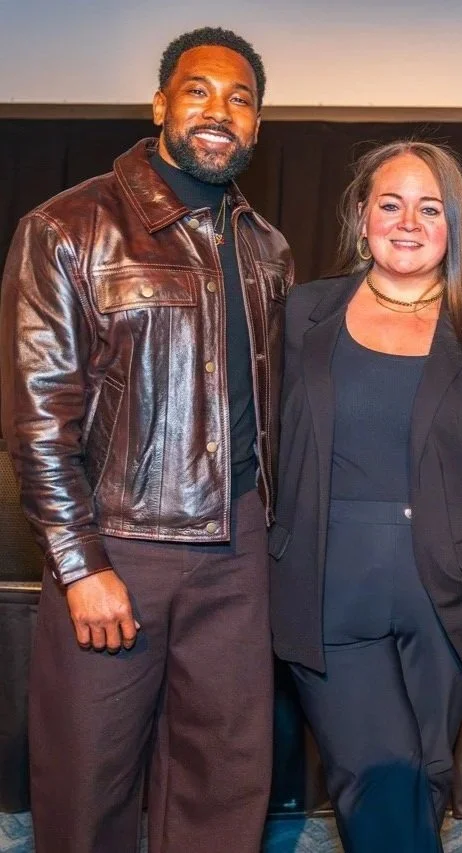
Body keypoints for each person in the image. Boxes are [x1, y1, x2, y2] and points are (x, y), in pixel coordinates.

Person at [0, 27, 291, 853]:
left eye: (240, 99)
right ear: (160, 103)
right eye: (198, 90)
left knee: (223, 783)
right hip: (121, 549)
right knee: (87, 784)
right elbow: (37, 421)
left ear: (258, 125)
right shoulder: (68, 227)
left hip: (240, 552)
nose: (218, 111)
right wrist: (80, 564)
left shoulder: (267, 247)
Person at [269, 140, 462, 852]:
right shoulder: (303, 314)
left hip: (453, 594)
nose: (408, 221)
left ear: (453, 222)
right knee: (376, 771)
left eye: (429, 207)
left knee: (429, 771)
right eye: (390, 202)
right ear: (361, 213)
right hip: (327, 585)